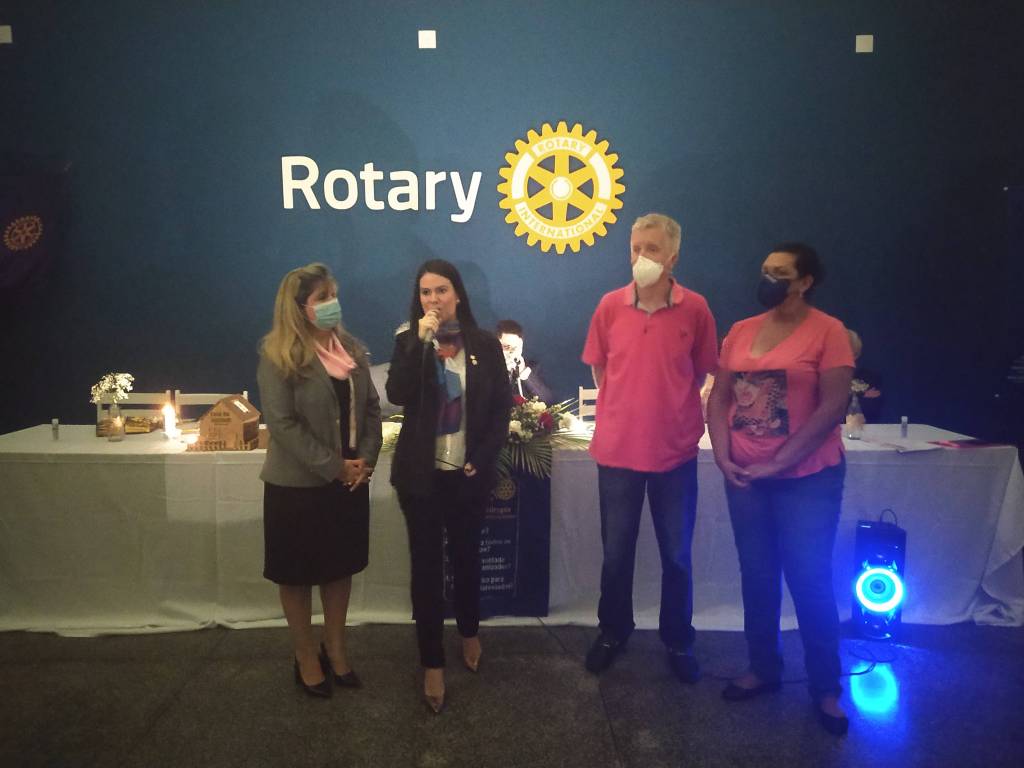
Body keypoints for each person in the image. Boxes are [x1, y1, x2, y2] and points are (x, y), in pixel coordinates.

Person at [706, 243, 854, 736]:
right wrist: (723, 455)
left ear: (805, 281)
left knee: (810, 580)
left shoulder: (828, 331)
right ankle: (763, 667)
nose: (769, 279)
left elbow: (832, 407)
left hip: (807, 478)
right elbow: (719, 398)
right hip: (746, 478)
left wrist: (780, 462)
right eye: (765, 270)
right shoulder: (741, 331)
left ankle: (825, 687)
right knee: (757, 575)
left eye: (782, 273)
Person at [581, 212, 718, 683]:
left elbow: (701, 372)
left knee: (677, 555)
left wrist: (667, 409)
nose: (641, 257)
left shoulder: (696, 309)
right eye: (636, 248)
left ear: (673, 257)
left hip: (675, 455)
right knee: (616, 554)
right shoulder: (609, 306)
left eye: (652, 249)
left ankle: (678, 639)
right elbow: (600, 370)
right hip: (617, 453)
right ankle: (613, 631)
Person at [386, 259, 511, 713]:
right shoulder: (409, 341)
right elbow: (397, 394)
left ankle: (469, 631)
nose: (434, 299)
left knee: (466, 559)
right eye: (425, 292)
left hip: (467, 474)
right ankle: (432, 662)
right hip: (421, 477)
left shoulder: (484, 345)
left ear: (457, 293)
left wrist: (482, 458)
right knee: (426, 571)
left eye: (441, 290)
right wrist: (419, 342)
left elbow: (500, 410)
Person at [257, 263, 383, 698]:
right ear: (299, 308)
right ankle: (306, 655)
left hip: (350, 481)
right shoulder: (279, 356)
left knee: (338, 569)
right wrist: (334, 466)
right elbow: (282, 424)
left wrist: (365, 459)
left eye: (334, 294)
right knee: (296, 575)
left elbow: (371, 411)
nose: (333, 304)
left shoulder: (352, 351)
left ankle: (337, 649)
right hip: (297, 487)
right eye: (322, 298)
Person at [496, 319, 554, 403]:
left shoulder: (534, 367)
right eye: (507, 347)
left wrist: (525, 374)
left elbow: (549, 400)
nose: (512, 352)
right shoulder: (486, 368)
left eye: (516, 347)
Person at [847, 329, 884, 423]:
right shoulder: (822, 376)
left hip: (864, 428)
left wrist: (855, 397)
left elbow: (871, 409)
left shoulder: (869, 377)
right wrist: (860, 396)